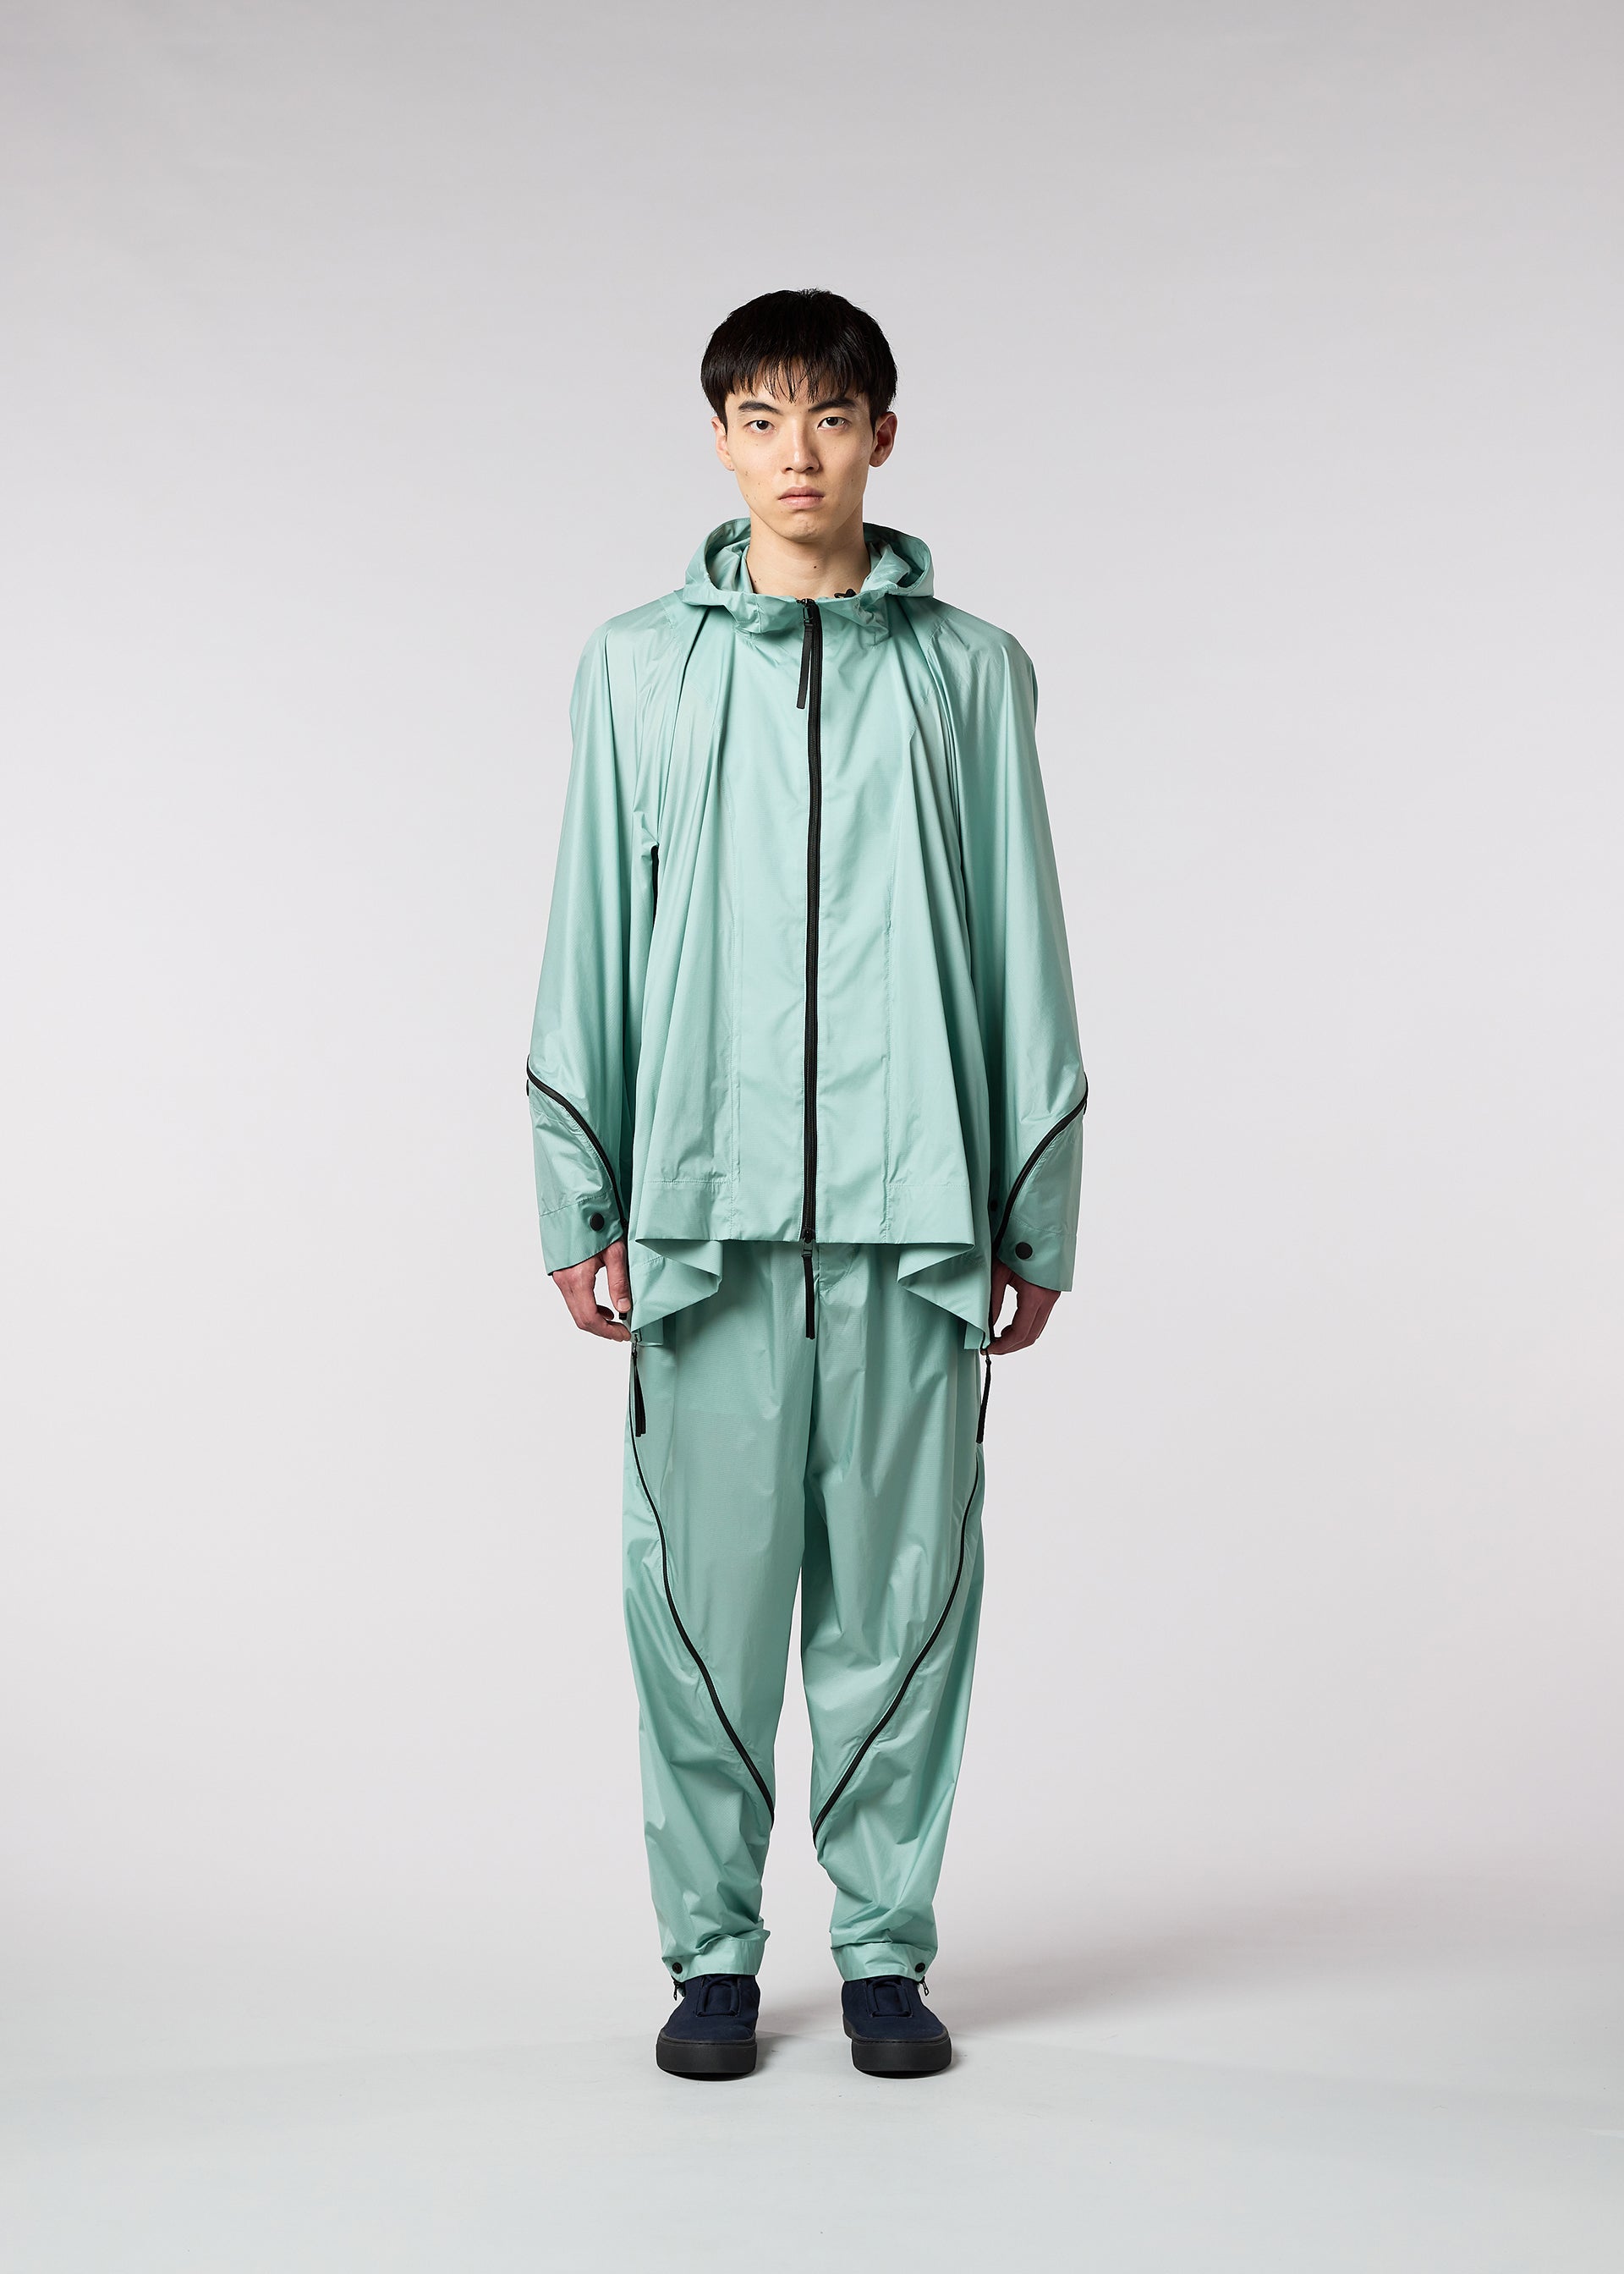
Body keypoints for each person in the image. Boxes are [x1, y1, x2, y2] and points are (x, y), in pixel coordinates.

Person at [524, 288, 1086, 2079]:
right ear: (718, 440)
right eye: (761, 419)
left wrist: (1034, 1201)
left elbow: (1020, 940)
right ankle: (711, 1958)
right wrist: (579, 1188)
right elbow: (592, 931)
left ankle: (882, 1957)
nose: (797, 454)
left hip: (918, 1218)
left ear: (882, 439)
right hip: (704, 1214)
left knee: (904, 1605)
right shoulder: (636, 668)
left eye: (830, 418)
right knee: (695, 1607)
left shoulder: (974, 672)